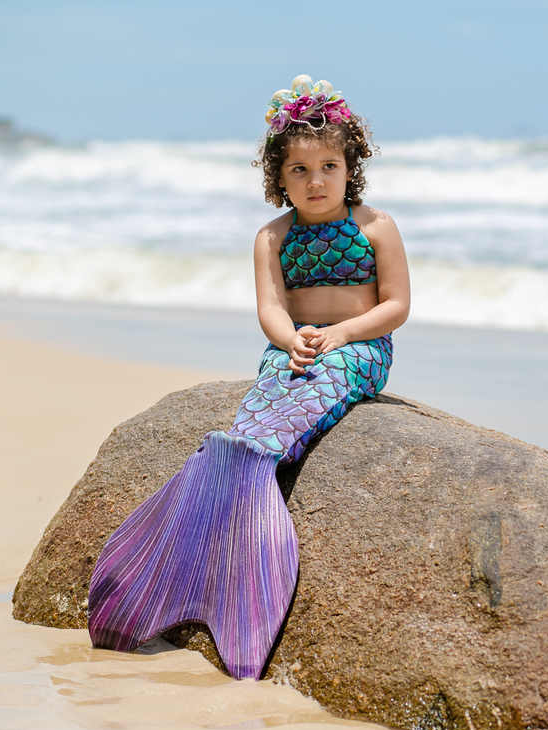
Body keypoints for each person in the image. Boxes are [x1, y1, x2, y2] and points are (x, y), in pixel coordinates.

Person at [87, 76, 410, 679]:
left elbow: (395, 306)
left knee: (301, 406)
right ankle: (213, 505)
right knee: (251, 421)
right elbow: (270, 310)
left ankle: (243, 531)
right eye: (299, 170)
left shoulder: (376, 227)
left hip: (359, 348)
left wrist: (338, 334)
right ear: (278, 179)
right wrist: (292, 341)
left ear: (351, 166)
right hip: (292, 349)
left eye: (329, 166)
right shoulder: (272, 237)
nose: (315, 181)